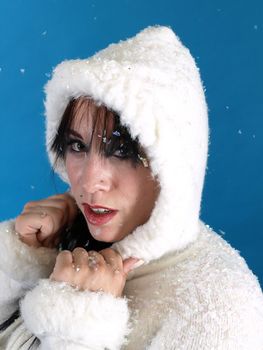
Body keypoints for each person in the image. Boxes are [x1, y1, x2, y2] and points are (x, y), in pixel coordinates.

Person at [0, 26, 262, 350]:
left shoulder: (220, 307)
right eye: (77, 146)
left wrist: (75, 332)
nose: (89, 180)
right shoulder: (64, 239)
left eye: (122, 151)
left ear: (174, 164)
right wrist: (20, 262)